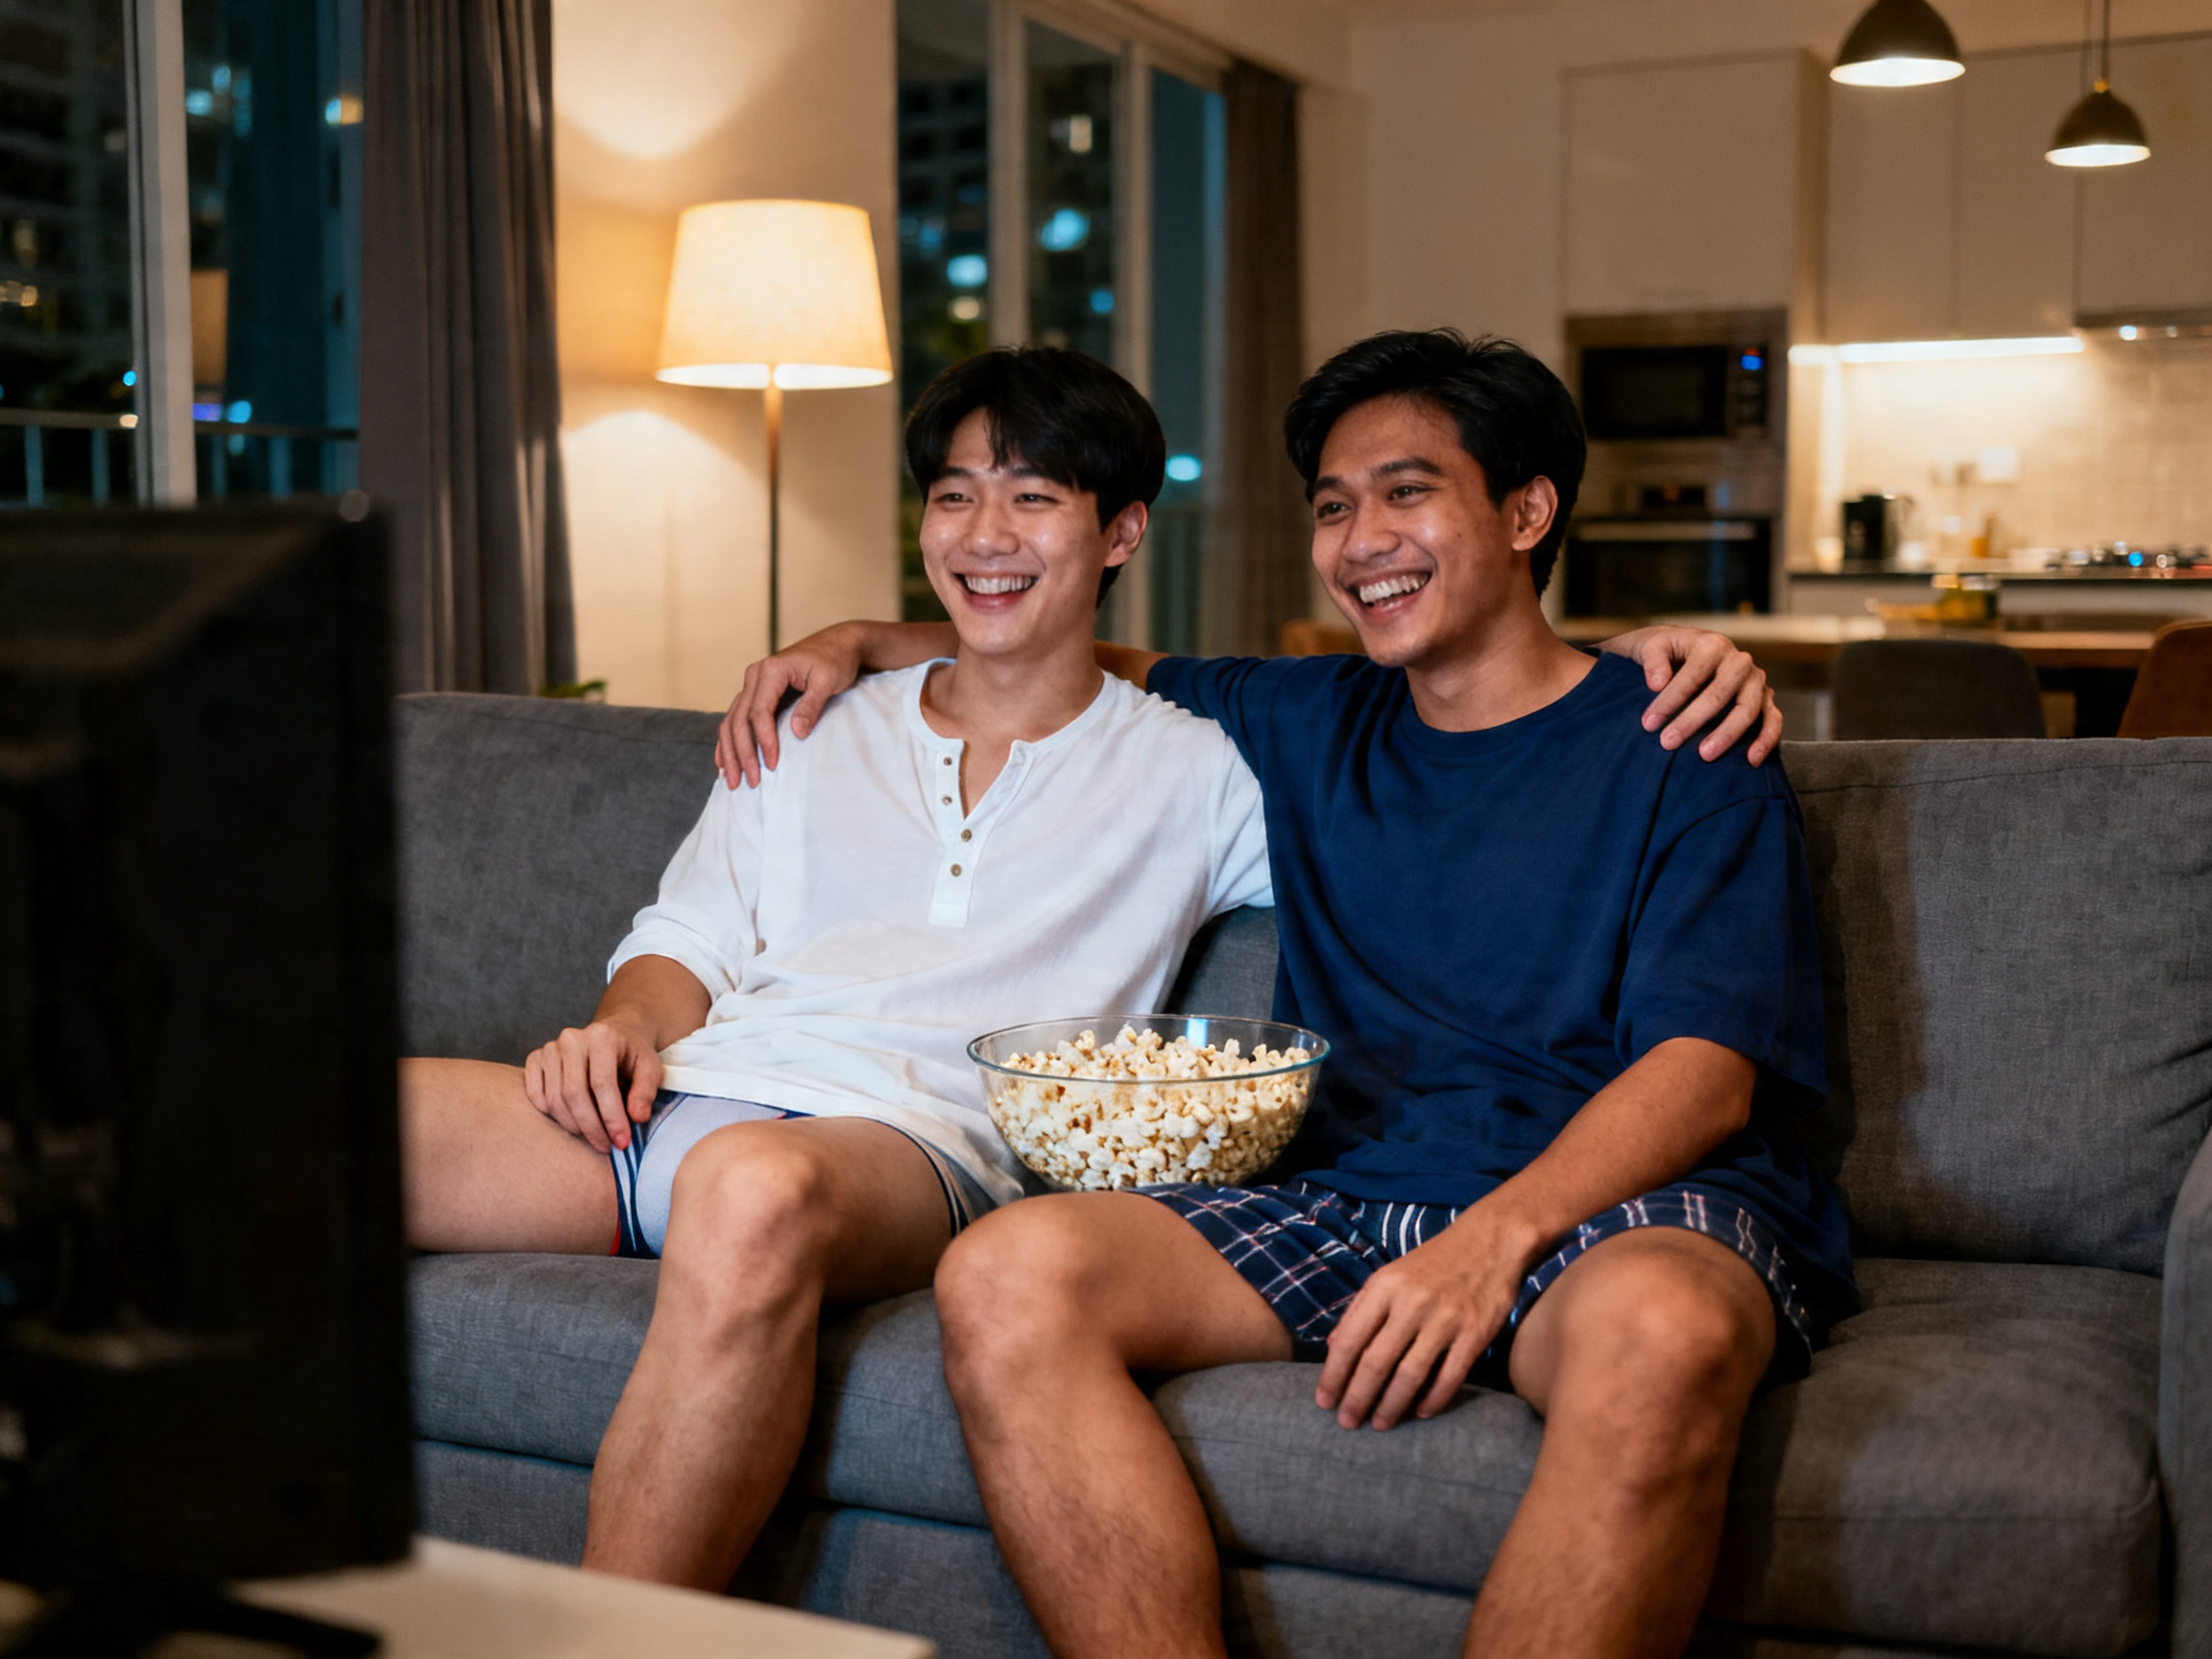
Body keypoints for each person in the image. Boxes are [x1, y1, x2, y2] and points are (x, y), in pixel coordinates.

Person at [719, 330, 1846, 1659]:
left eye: (1409, 492)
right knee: (1012, 1272)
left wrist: (1489, 1243)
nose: (1362, 537)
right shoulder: (1308, 718)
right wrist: (857, 639)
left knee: (1660, 1339)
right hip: (1352, 1193)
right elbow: (1079, 654)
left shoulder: (1684, 740)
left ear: (1528, 510)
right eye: (1332, 505)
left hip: (1629, 1206)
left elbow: (1706, 1072)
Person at [399, 345, 1281, 1590]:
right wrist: (620, 1031)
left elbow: (1416, 743)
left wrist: (1619, 671)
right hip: (689, 1095)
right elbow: (687, 936)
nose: (987, 531)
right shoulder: (814, 722)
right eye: (956, 494)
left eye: (1034, 497)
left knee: (749, 1188)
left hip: (912, 1145)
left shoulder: (1204, 776)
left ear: (1122, 530)